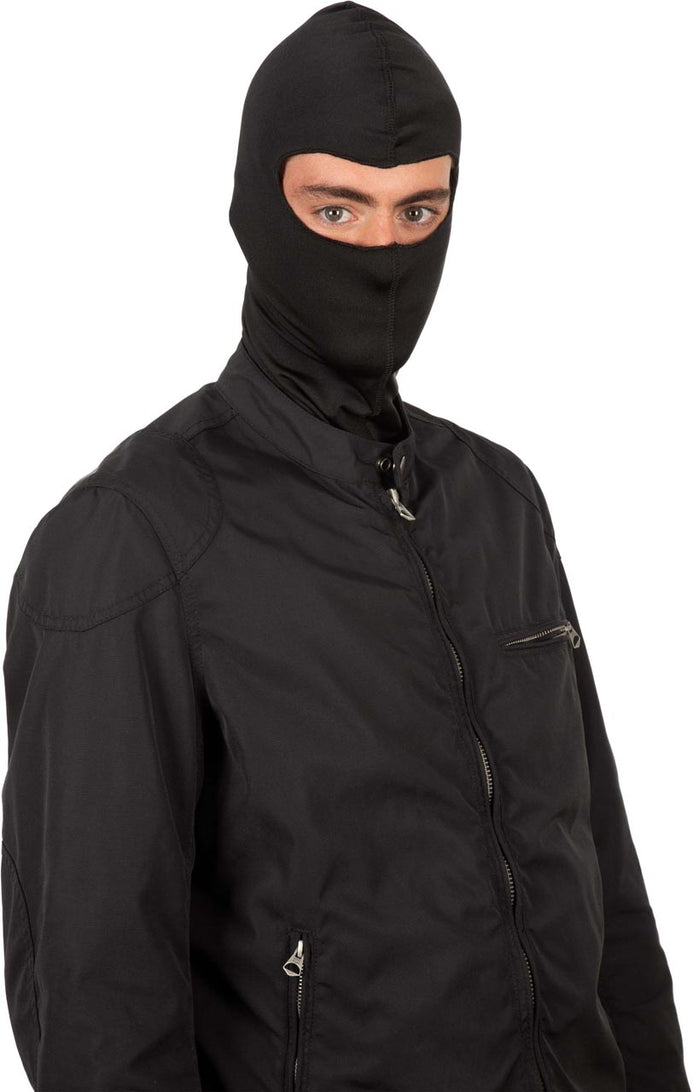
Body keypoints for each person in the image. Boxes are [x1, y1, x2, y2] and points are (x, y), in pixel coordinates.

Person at [1, 2, 689, 1089]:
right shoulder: (134, 536)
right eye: (336, 207)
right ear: (254, 204)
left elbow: (603, 879)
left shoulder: (498, 501)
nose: (382, 252)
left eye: (420, 210)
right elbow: (96, 992)